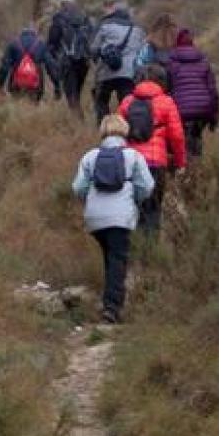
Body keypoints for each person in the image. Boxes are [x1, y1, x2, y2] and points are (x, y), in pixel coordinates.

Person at [71, 114, 156, 324]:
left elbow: (78, 188)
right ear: (124, 131)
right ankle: (112, 309)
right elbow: (147, 186)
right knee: (118, 260)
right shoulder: (133, 156)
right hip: (121, 217)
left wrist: (91, 200)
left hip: (95, 219)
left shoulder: (90, 156)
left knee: (111, 257)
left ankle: (110, 301)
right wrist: (134, 199)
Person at [117, 63, 186, 238]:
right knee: (153, 208)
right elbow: (177, 136)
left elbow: (116, 133)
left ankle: (135, 247)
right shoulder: (166, 102)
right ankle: (151, 251)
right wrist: (179, 163)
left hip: (131, 162)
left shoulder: (126, 102)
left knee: (134, 207)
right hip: (156, 162)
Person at [165, 29, 219, 162]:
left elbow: (167, 90)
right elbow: (213, 91)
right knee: (196, 137)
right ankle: (197, 167)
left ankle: (186, 170)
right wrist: (214, 118)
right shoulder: (204, 62)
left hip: (180, 110)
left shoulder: (171, 63)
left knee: (183, 142)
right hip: (202, 109)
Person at [90, 1, 146, 124]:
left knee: (101, 102)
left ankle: (104, 128)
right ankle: (126, 130)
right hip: (128, 74)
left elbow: (93, 49)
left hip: (105, 72)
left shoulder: (105, 27)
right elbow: (142, 53)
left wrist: (98, 59)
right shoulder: (138, 30)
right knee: (126, 105)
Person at [46, 0, 93, 113]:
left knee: (71, 96)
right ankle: (79, 120)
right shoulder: (84, 17)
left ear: (62, 4)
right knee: (77, 93)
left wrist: (52, 60)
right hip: (84, 61)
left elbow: (53, 42)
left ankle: (78, 124)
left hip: (67, 62)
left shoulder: (59, 18)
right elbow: (92, 36)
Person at [0, 26, 48, 101]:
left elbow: (5, 66)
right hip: (36, 85)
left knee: (16, 105)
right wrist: (57, 87)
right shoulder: (41, 45)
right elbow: (50, 66)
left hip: (16, 84)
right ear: (34, 34)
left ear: (21, 34)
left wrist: (0, 84)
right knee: (33, 106)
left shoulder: (13, 44)